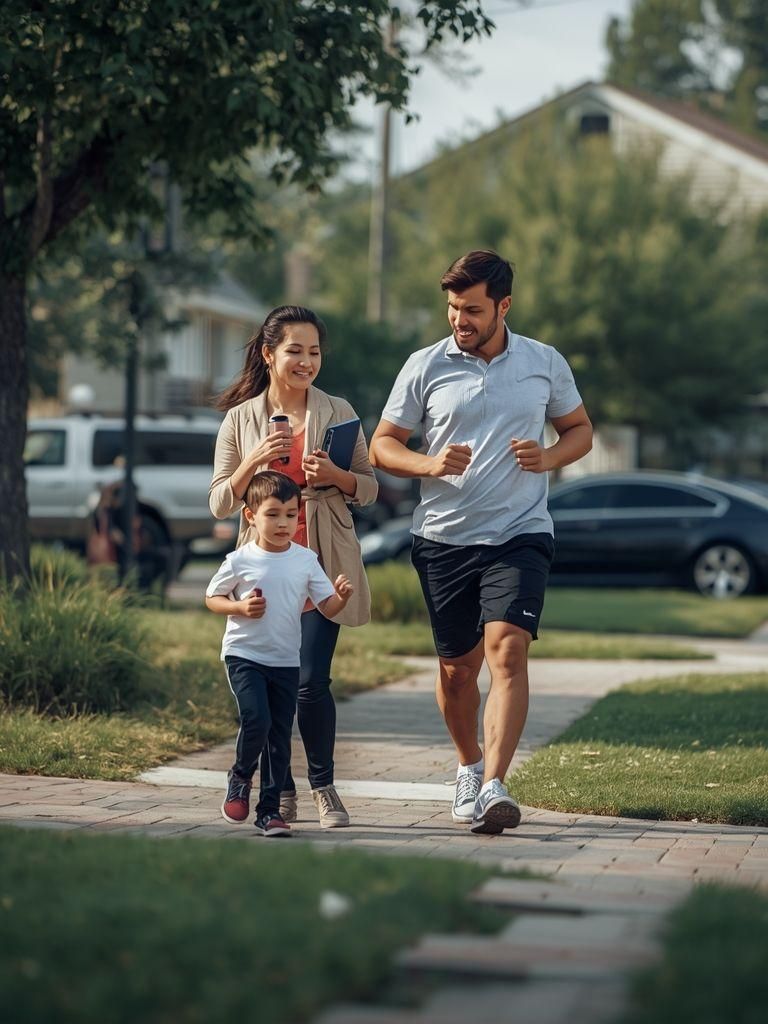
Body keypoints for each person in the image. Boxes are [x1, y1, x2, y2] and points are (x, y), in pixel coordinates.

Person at [369, 250, 593, 836]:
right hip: (444, 539)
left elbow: (580, 431)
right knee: (457, 672)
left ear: (504, 306)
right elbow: (382, 445)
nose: (459, 321)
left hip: (520, 533)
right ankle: (469, 765)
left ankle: (495, 784)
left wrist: (548, 457)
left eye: (471, 310)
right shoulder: (425, 365)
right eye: (452, 309)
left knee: (508, 651)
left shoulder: (544, 363)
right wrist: (428, 463)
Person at [209, 305, 377, 828]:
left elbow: (369, 489)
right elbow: (218, 502)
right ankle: (279, 792)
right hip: (265, 574)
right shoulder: (241, 419)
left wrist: (337, 476)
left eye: (314, 352)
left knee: (311, 681)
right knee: (276, 684)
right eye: (295, 351)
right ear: (269, 354)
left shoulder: (339, 410)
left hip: (321, 564)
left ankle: (324, 787)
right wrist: (254, 460)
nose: (306, 361)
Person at [206, 471, 353, 837]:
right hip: (244, 655)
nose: (284, 522)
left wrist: (341, 597)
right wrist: (239, 609)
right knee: (256, 718)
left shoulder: (306, 560)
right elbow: (212, 598)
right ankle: (240, 776)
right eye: (273, 514)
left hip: (287, 661)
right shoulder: (239, 560)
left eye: (291, 514)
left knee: (279, 737)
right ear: (250, 516)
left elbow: (327, 607)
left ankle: (269, 811)